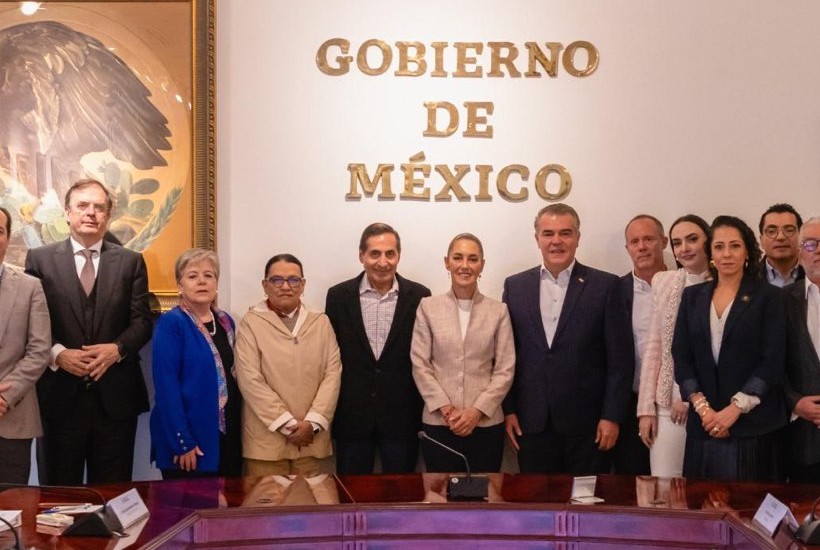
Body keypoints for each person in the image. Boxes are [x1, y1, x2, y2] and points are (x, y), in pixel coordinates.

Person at [25, 179, 152, 484]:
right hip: (58, 399)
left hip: (115, 401)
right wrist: (58, 354)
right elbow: (30, 323)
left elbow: (142, 322)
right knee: (56, 497)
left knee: (112, 497)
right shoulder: (39, 260)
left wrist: (117, 350)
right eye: (82, 206)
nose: (91, 213)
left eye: (99, 207)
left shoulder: (131, 263)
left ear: (108, 216)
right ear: (67, 213)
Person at [502, 204, 634, 474]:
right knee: (538, 507)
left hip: (588, 426)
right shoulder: (515, 286)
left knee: (585, 505)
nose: (556, 241)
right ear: (537, 238)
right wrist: (509, 410)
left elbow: (620, 360)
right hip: (532, 422)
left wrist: (612, 416)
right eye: (548, 233)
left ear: (577, 237)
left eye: (565, 233)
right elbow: (508, 355)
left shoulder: (605, 286)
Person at [672, 215, 787, 481]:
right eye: (719, 246)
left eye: (734, 246)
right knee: (703, 513)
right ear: (710, 252)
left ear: (747, 250)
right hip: (704, 426)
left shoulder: (770, 297)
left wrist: (734, 410)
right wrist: (705, 411)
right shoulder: (692, 297)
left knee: (747, 515)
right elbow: (682, 355)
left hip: (752, 427)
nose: (727, 254)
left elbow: (772, 361)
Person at [325, 223, 431, 474]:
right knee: (351, 497)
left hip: (402, 418)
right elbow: (330, 357)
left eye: (389, 253)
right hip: (352, 416)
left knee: (401, 497)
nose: (383, 262)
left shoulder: (420, 296)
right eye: (375, 253)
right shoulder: (338, 297)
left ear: (399, 255)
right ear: (361, 255)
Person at [411, 233, 515, 472]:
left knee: (485, 498)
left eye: (472, 259)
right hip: (438, 424)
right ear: (447, 262)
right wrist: (447, 410)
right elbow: (420, 364)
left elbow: (505, 368)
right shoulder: (428, 307)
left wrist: (476, 411)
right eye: (458, 258)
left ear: (482, 265)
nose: (465, 265)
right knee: (439, 499)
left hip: (486, 424)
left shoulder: (498, 311)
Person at [236, 254, 341, 476]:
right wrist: (287, 424)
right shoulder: (251, 323)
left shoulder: (320, 321)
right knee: (268, 509)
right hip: (266, 444)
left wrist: (312, 423)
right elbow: (249, 379)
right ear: (265, 285)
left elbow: (332, 375)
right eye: (277, 280)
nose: (286, 286)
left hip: (313, 440)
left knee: (315, 507)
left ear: (303, 285)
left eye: (293, 280)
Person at [150, 248, 242, 479]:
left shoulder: (225, 322)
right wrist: (182, 441)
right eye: (192, 276)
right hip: (189, 439)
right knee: (188, 512)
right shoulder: (171, 323)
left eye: (208, 275)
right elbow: (166, 387)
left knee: (224, 511)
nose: (202, 281)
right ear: (180, 285)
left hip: (224, 435)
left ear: (216, 283)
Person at [637, 214, 711, 477]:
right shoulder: (664, 281)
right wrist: (646, 410)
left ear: (708, 241)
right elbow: (655, 347)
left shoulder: (724, 281)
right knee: (664, 487)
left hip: (713, 404)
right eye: (678, 242)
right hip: (667, 404)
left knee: (706, 491)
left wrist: (688, 397)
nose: (685, 248)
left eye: (693, 239)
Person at [612, 215, 668, 475]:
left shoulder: (685, 285)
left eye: (649, 239)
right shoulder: (614, 290)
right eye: (635, 241)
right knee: (633, 485)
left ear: (664, 242)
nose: (642, 246)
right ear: (627, 249)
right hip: (629, 407)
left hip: (676, 406)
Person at [0, 206, 51, 484]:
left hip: (13, 416)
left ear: (8, 238)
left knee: (11, 512)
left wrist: (5, 396)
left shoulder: (30, 287)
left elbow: (40, 350)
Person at [784, 217, 820, 483]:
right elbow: (771, 364)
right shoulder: (781, 302)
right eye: (810, 244)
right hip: (802, 439)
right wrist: (795, 402)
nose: (818, 250)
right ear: (799, 254)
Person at [758, 203, 804, 287]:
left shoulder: (814, 275)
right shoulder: (745, 279)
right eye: (771, 231)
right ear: (761, 240)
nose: (780, 237)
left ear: (801, 237)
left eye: (789, 230)